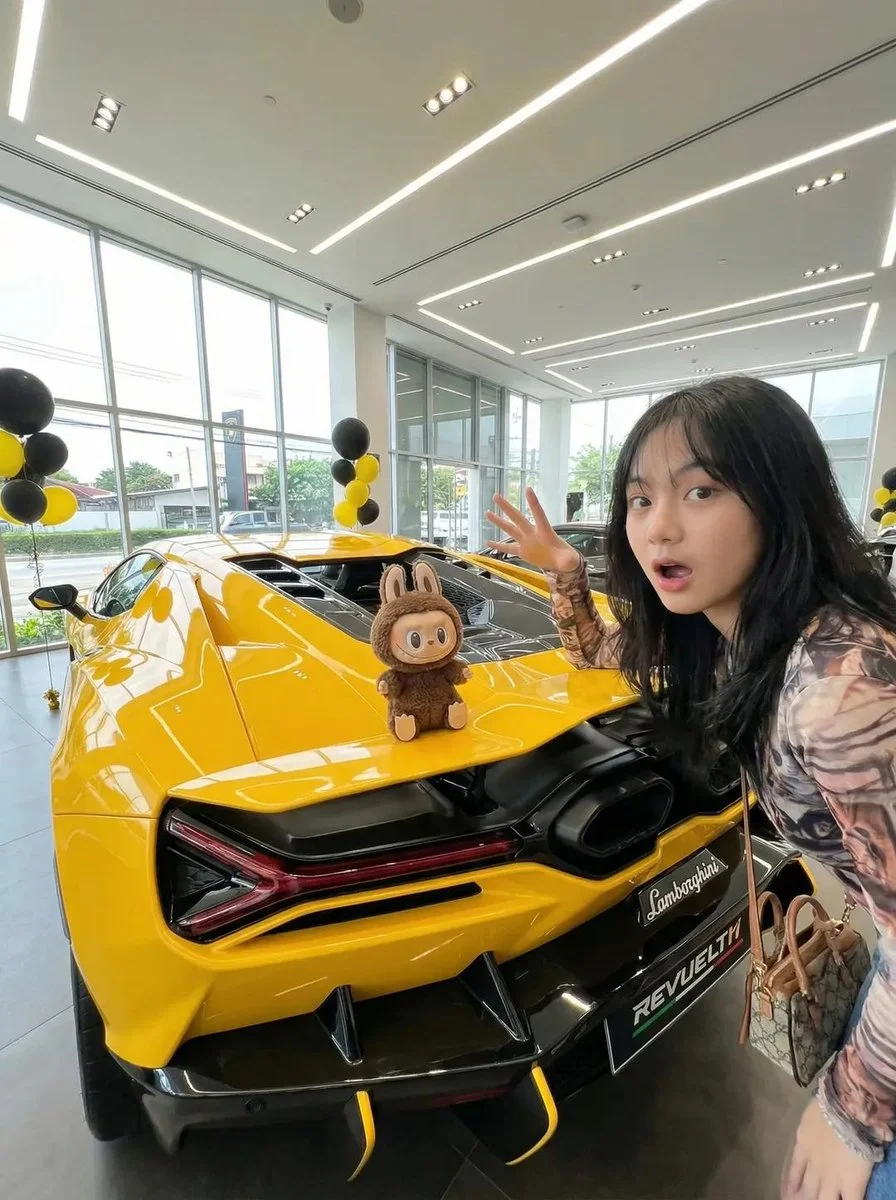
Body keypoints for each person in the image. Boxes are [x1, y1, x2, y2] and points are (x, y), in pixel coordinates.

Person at [487, 376, 896, 1200]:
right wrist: (565, 571)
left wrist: (853, 1112)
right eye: (640, 500)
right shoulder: (732, 639)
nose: (658, 528)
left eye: (700, 491)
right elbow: (602, 653)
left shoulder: (839, 692)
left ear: (779, 498)